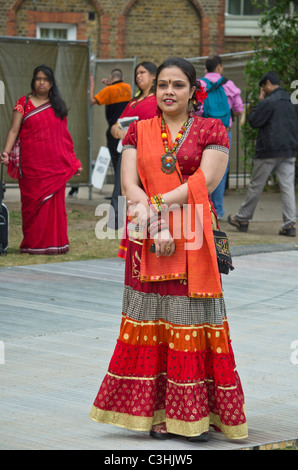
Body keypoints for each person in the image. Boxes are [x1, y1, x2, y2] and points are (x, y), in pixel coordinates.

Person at [90, 57, 248, 442]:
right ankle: (157, 414)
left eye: (178, 85)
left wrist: (158, 210)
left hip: (192, 239)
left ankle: (194, 414)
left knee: (189, 323)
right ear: (154, 89)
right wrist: (154, 221)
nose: (168, 91)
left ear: (194, 91)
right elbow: (129, 184)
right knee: (152, 324)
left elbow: (205, 181)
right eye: (162, 84)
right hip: (148, 239)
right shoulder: (137, 131)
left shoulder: (212, 129)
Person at [0, 65, 82, 255]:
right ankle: (32, 244)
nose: (42, 82)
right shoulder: (24, 103)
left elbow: (64, 138)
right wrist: (6, 152)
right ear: (33, 81)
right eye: (38, 79)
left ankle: (54, 244)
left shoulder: (57, 107)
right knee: (31, 206)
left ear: (51, 83)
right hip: (31, 165)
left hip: (53, 166)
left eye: (45, 79)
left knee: (53, 206)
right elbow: (14, 130)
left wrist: (73, 161)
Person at [228, 71, 298, 237]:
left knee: (256, 185)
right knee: (287, 187)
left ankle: (243, 219)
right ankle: (289, 225)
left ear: (267, 83)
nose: (263, 90)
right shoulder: (292, 101)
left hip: (268, 150)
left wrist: (260, 102)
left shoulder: (268, 102)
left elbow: (254, 121)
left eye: (263, 87)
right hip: (288, 149)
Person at [108, 61, 158, 232]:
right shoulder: (133, 102)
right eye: (137, 73)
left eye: (143, 72)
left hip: (149, 150)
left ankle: (143, 219)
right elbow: (115, 126)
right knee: (120, 186)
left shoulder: (159, 99)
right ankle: (115, 223)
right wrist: (119, 133)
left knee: (144, 188)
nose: (138, 76)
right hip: (128, 150)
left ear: (154, 76)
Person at [198, 55, 244, 219]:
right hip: (223, 131)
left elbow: (196, 109)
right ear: (219, 67)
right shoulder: (229, 85)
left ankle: (201, 206)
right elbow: (239, 109)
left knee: (200, 169)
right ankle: (217, 211)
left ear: (206, 68)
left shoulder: (200, 84)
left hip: (203, 131)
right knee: (220, 171)